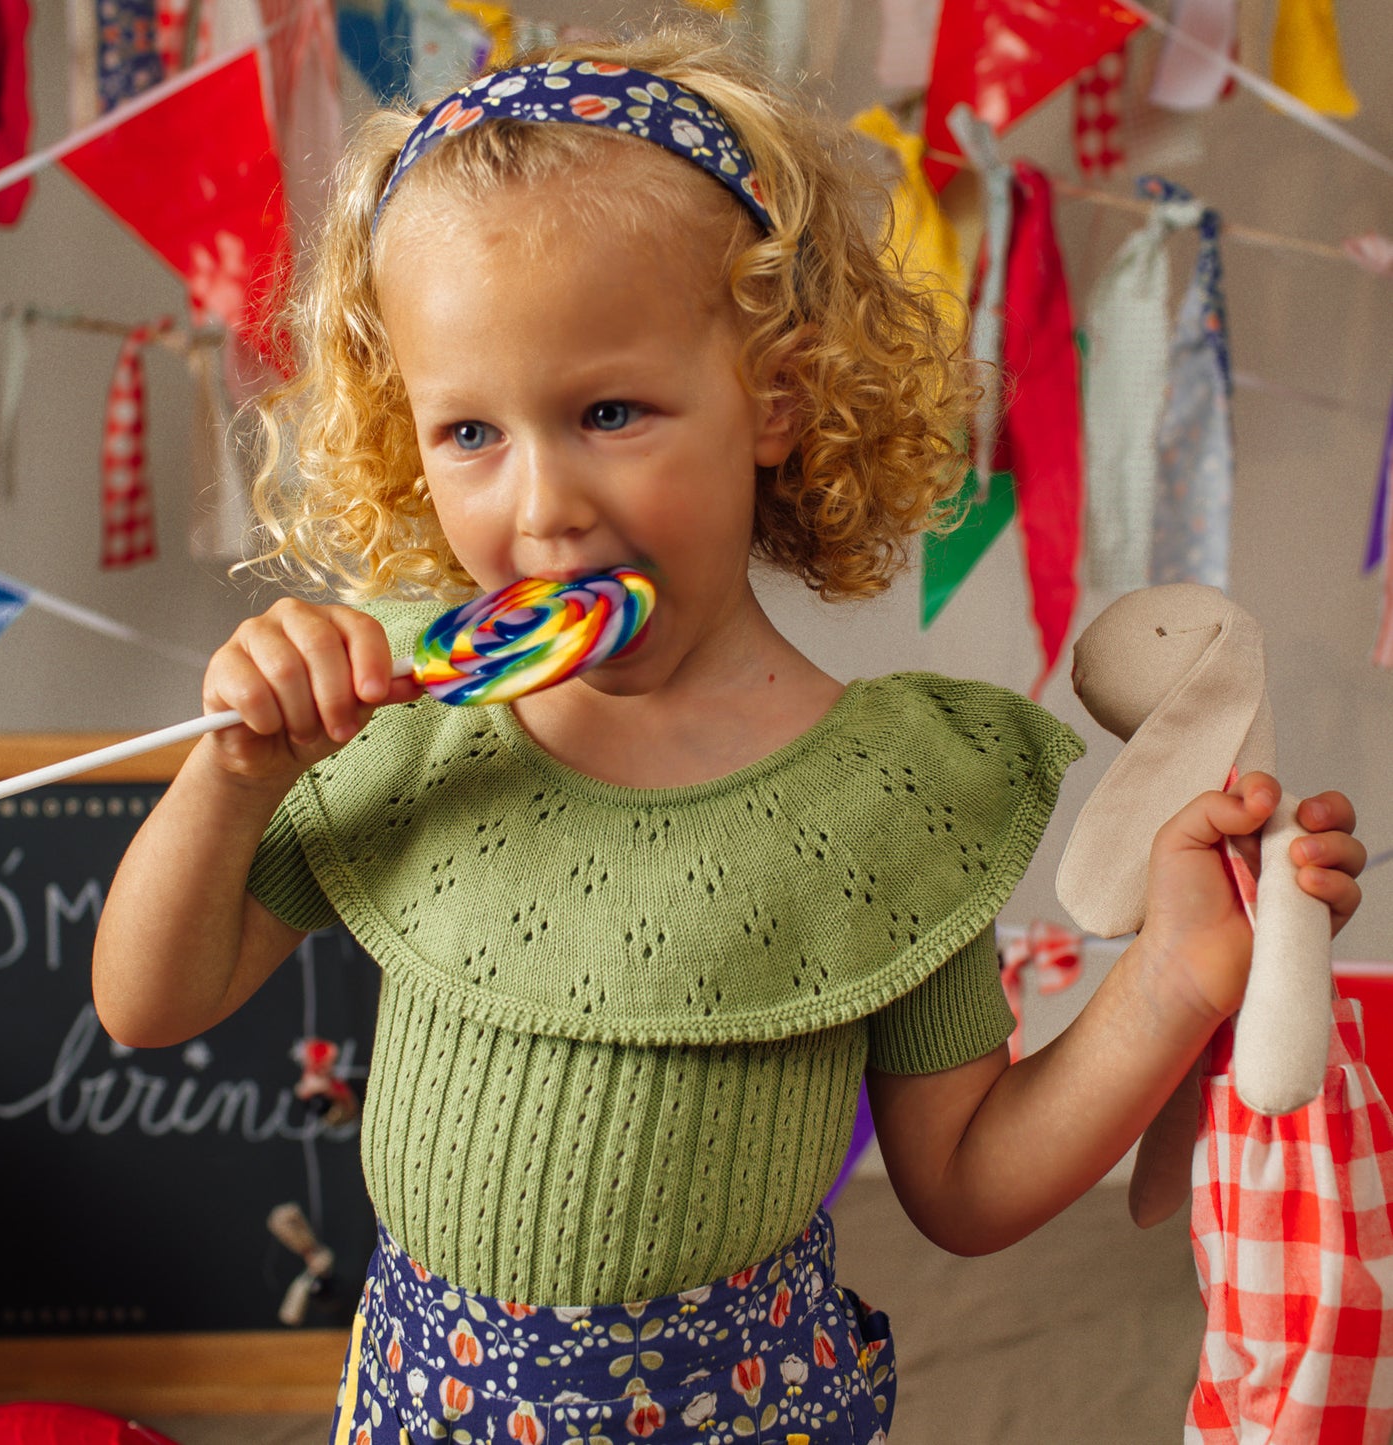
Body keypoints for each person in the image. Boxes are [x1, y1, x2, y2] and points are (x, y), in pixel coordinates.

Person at [92, 24, 1366, 1445]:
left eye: (609, 411)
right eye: (468, 433)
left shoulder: (886, 788)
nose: (540, 506)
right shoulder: (405, 711)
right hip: (416, 1402)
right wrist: (232, 772)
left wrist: (1179, 975)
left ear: (772, 400)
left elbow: (964, 1184)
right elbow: (150, 1001)